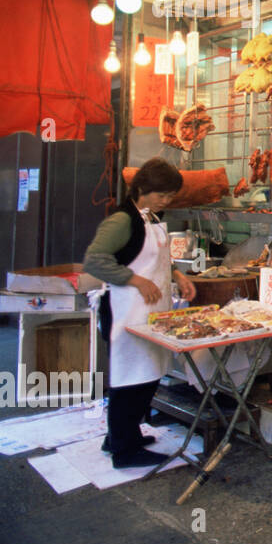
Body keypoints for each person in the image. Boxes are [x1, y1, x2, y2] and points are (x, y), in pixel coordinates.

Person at [84, 158, 196, 469]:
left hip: (150, 310)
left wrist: (177, 275)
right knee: (129, 379)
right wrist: (136, 279)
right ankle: (124, 451)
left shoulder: (151, 218)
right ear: (143, 189)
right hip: (126, 309)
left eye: (171, 196)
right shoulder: (122, 220)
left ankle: (121, 436)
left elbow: (158, 257)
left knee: (146, 377)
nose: (166, 201)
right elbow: (95, 260)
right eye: (162, 195)